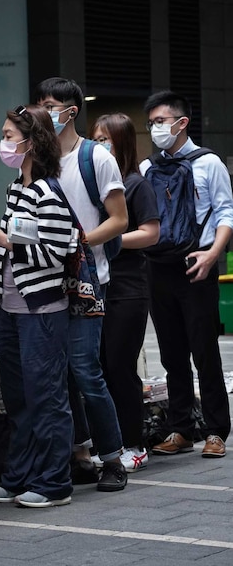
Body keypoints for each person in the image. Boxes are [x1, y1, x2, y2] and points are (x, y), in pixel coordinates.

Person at [0, 105, 74, 507]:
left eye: (9, 135)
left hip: (42, 312)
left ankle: (55, 483)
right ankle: (19, 477)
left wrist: (6, 242)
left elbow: (55, 253)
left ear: (32, 142)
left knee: (46, 397)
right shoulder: (18, 187)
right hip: (12, 309)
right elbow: (19, 244)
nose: (4, 143)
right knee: (17, 398)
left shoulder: (48, 191)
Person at [33, 77, 129, 491]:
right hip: (45, 280)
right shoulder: (36, 157)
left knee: (86, 370)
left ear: (71, 111)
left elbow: (120, 220)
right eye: (40, 104)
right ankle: (80, 453)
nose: (44, 111)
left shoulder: (96, 158)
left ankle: (114, 460)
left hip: (88, 280)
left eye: (51, 105)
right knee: (61, 373)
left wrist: (79, 243)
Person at [140, 91, 233, 458]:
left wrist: (212, 256)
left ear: (182, 122)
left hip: (198, 265)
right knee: (171, 351)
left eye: (161, 121)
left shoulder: (208, 163)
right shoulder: (148, 168)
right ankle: (181, 428)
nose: (155, 129)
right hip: (158, 265)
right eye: (151, 123)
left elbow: (227, 213)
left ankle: (216, 430)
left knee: (204, 350)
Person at [91, 113, 160, 471]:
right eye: (95, 138)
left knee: (120, 367)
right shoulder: (97, 185)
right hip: (98, 286)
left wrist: (107, 239)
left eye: (105, 138)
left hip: (128, 289)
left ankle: (134, 442)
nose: (99, 144)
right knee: (99, 367)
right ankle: (109, 443)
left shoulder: (136, 184)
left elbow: (150, 233)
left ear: (122, 142)